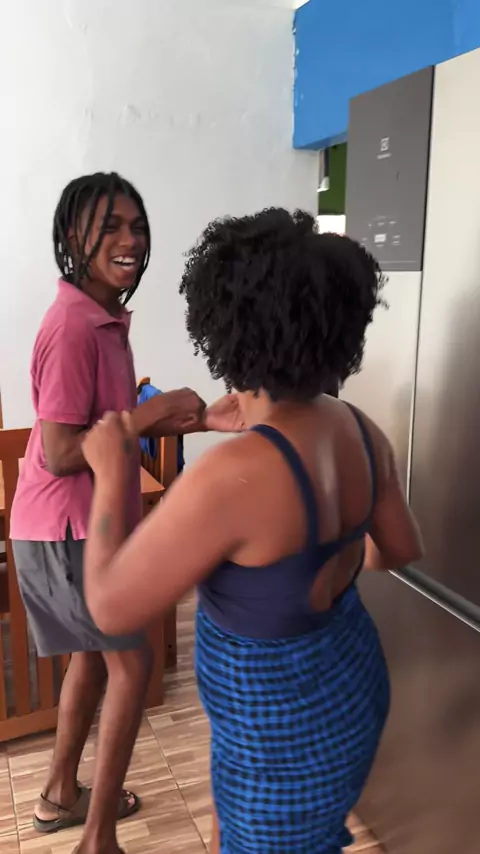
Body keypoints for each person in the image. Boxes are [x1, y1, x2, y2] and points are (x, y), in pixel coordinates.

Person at [79, 209, 424, 854]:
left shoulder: (230, 479)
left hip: (278, 739)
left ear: (226, 328)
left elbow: (108, 606)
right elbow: (397, 550)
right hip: (351, 692)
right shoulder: (361, 430)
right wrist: (319, 552)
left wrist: (110, 471)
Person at [10, 172, 243, 854]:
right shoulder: (73, 326)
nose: (129, 240)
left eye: (137, 227)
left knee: (94, 660)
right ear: (71, 237)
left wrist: (201, 419)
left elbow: (105, 424)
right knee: (134, 666)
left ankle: (61, 796)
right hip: (64, 527)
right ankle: (98, 839)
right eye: (109, 226)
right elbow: (61, 451)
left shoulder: (103, 317)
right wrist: (150, 410)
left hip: (79, 523)